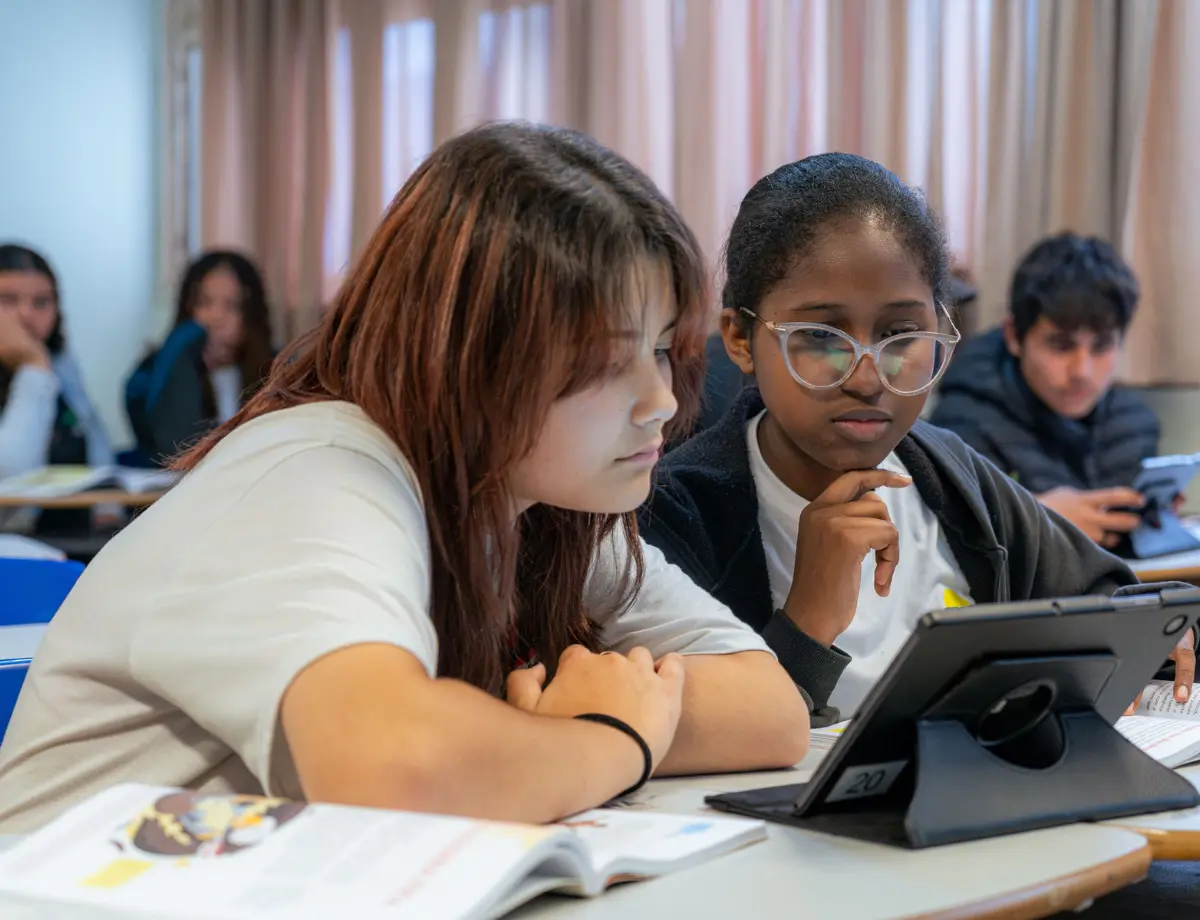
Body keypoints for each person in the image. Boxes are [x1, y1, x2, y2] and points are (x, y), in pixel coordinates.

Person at [0, 123, 808, 833]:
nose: (661, 400)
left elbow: (771, 711)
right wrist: (609, 735)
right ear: (468, 354)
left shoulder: (539, 501)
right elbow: (393, 769)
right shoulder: (318, 471)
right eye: (604, 361)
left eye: (663, 347)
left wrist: (543, 734)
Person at [638, 154, 1193, 725]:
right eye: (820, 337)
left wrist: (1154, 626)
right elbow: (698, 736)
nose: (866, 377)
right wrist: (807, 619)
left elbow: (1104, 592)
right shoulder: (670, 518)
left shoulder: (948, 472)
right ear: (739, 337)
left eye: (901, 335)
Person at [930, 234, 1162, 548]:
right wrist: (1033, 518)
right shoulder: (962, 424)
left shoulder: (1136, 425)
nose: (1082, 371)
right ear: (1014, 336)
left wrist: (1153, 519)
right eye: (1061, 345)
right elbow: (943, 540)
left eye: (1102, 345)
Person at [0, 244, 115, 533]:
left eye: (41, 303)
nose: (26, 315)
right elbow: (11, 478)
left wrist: (108, 508)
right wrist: (33, 367)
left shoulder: (60, 361)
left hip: (65, 535)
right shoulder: (39, 365)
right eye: (8, 300)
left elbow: (90, 431)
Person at [125, 250, 275, 464]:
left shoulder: (277, 372)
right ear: (188, 309)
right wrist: (182, 358)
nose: (216, 318)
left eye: (232, 306)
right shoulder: (154, 371)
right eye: (204, 303)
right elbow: (173, 447)